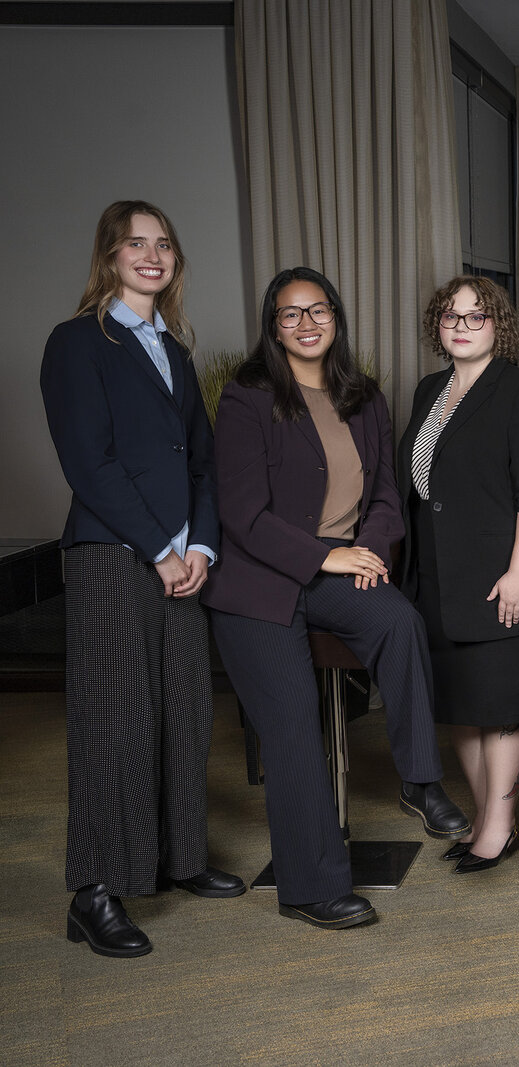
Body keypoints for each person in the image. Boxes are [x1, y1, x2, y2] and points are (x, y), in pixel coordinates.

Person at [204, 267, 469, 929]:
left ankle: (419, 779)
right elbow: (242, 514)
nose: (306, 323)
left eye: (317, 310)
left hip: (340, 572)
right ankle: (310, 888)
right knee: (294, 730)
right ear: (273, 325)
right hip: (259, 582)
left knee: (400, 623)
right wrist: (328, 554)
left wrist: (371, 550)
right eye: (290, 314)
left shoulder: (364, 397)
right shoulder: (247, 396)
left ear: (335, 317)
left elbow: (384, 494)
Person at [41, 200, 242, 958]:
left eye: (164, 245)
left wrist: (201, 551)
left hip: (181, 561)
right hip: (114, 558)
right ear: (110, 255)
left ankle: (174, 858)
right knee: (113, 719)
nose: (152, 255)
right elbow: (89, 463)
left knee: (182, 711)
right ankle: (94, 889)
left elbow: (201, 462)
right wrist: (161, 546)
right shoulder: (76, 344)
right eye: (137, 244)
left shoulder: (175, 351)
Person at [396, 276, 519, 874]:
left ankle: (497, 825)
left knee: (504, 705)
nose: (462, 325)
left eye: (477, 315)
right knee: (462, 705)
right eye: (451, 315)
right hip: (440, 578)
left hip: (504, 576)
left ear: (500, 326)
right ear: (437, 326)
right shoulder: (428, 391)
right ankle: (489, 816)